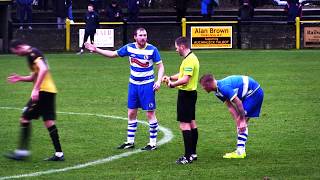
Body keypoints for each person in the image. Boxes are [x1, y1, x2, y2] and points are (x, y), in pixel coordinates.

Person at [84, 27, 165, 151]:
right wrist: (96, 49)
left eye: (145, 35)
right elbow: (112, 54)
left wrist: (158, 81)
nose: (143, 37)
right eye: (141, 35)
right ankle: (130, 142)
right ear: (135, 37)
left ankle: (152, 143)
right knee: (131, 113)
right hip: (133, 85)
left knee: (150, 113)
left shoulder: (152, 50)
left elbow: (160, 67)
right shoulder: (129, 48)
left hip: (147, 85)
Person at [4, 40, 64, 161]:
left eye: (15, 52)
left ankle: (22, 152)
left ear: (20, 47)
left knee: (25, 118)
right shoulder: (32, 54)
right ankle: (59, 154)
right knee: (48, 121)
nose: (16, 55)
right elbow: (34, 76)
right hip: (50, 91)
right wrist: (20, 78)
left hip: (43, 91)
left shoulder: (33, 53)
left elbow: (43, 69)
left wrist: (36, 89)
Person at [199, 74, 264, 159]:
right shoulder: (217, 92)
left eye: (203, 86)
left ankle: (240, 152)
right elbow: (230, 106)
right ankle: (240, 151)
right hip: (249, 94)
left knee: (242, 122)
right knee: (240, 122)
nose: (203, 88)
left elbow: (238, 103)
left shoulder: (223, 88)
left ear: (209, 84)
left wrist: (242, 120)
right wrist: (238, 120)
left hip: (254, 93)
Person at [162, 37, 199, 164]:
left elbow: (185, 79)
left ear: (182, 46)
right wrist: (170, 77)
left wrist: (172, 84)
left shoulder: (189, 60)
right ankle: (193, 154)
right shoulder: (191, 57)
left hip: (186, 95)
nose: (176, 49)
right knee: (192, 123)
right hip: (191, 94)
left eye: (176, 47)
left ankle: (187, 157)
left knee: (184, 125)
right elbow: (182, 74)